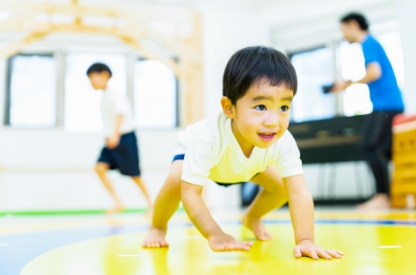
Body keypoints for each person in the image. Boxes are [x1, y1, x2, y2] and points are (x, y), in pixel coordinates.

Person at [142, 46, 343, 260]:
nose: (273, 121)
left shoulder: (282, 140)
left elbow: (298, 192)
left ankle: (252, 217)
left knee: (281, 188)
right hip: (203, 156)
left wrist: (305, 240)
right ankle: (157, 226)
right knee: (176, 181)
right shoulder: (206, 138)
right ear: (229, 108)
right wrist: (215, 234)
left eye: (284, 107)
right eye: (261, 107)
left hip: (244, 166)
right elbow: (191, 193)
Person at [331, 13, 405, 209]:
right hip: (390, 104)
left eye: (343, 29)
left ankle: (382, 196)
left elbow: (374, 72)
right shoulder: (372, 43)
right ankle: (388, 196)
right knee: (383, 150)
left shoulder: (368, 43)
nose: (343, 34)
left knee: (369, 147)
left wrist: (347, 84)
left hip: (386, 105)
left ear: (353, 25)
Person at [87, 63, 153, 216]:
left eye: (93, 77)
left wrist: (115, 135)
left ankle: (152, 205)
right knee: (99, 168)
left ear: (104, 75)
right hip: (111, 139)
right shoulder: (104, 97)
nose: (91, 82)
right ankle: (118, 201)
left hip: (124, 138)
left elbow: (120, 114)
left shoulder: (114, 95)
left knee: (134, 174)